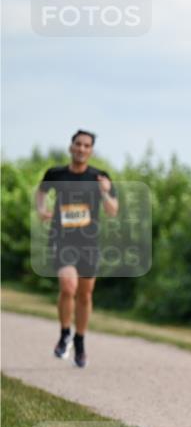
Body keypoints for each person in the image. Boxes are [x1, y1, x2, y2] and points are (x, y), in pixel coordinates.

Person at [35, 129, 119, 368]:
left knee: (85, 295)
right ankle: (64, 334)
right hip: (62, 240)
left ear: (91, 151)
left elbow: (113, 210)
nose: (82, 149)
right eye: (78, 144)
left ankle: (80, 342)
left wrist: (105, 192)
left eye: (86, 146)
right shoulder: (56, 173)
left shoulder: (99, 177)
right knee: (68, 287)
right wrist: (42, 210)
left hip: (89, 244)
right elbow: (41, 192)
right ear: (71, 147)